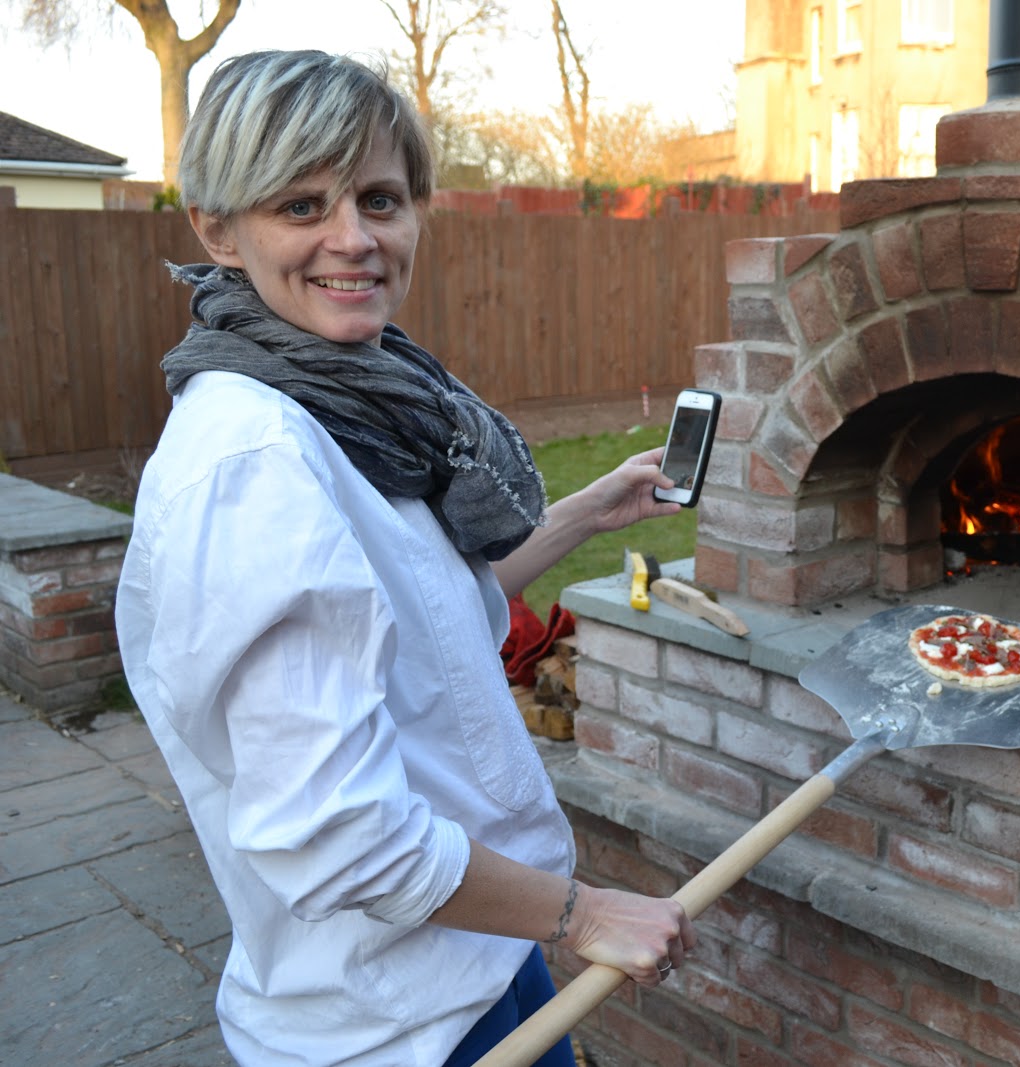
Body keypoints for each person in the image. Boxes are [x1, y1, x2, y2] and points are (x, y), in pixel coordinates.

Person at [114, 49, 694, 1067]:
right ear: (218, 228)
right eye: (300, 206)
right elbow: (339, 833)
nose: (354, 238)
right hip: (396, 1022)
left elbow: (417, 617)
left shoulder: (347, 402)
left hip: (476, 949)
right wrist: (583, 911)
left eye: (379, 198)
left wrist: (582, 516)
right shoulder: (257, 464)